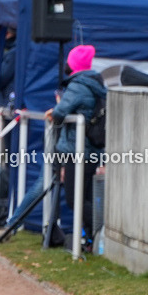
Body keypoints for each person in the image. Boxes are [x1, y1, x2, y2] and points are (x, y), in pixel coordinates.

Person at [45, 44, 106, 250]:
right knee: (86, 196)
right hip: (91, 151)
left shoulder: (78, 86)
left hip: (76, 151)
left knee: (74, 199)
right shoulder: (93, 83)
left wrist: (56, 107)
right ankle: (92, 240)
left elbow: (61, 112)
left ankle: (103, 229)